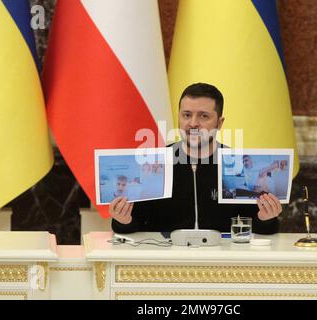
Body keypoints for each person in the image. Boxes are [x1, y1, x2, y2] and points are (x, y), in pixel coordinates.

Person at [109, 83, 282, 234]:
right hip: (163, 265)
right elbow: (133, 225)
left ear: (219, 123)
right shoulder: (156, 163)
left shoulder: (237, 164)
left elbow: (259, 227)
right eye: (186, 115)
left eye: (203, 116)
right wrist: (122, 220)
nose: (193, 123)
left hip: (222, 265)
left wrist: (266, 219)